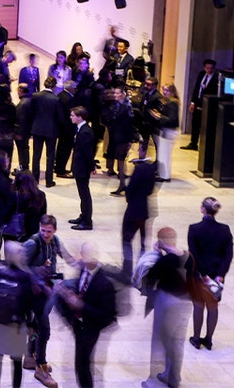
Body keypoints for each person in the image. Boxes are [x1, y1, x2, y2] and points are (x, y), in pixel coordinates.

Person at [54, 242, 118, 388]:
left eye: (90, 256)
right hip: (79, 324)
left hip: (91, 328)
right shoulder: (84, 270)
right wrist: (68, 294)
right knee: (81, 363)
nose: (86, 260)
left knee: (83, 364)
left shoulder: (104, 283)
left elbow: (107, 315)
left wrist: (82, 306)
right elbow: (81, 290)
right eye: (84, 256)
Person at [22, 215, 75, 387]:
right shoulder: (32, 243)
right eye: (43, 230)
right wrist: (36, 270)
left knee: (35, 327)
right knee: (44, 331)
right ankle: (41, 367)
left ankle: (29, 357)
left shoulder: (55, 241)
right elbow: (18, 265)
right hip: (33, 294)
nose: (45, 234)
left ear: (55, 230)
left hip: (46, 291)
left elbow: (66, 256)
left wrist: (81, 264)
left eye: (49, 231)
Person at [139, 227, 193, 388]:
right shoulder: (188, 257)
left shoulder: (165, 261)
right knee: (178, 342)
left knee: (160, 342)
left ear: (161, 241)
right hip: (186, 303)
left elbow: (150, 277)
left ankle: (154, 382)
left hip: (168, 303)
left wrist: (156, 254)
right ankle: (173, 377)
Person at [188, 197, 232, 351]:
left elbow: (194, 254)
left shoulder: (194, 229)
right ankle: (208, 340)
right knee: (213, 307)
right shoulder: (225, 229)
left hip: (200, 275)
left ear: (203, 209)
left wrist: (203, 274)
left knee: (198, 305)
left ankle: (196, 338)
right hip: (217, 276)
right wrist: (220, 274)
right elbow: (228, 255)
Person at [0, 241, 34, 388]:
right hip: (16, 325)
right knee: (17, 361)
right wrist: (30, 323)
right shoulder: (25, 276)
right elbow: (29, 303)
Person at [122, 158, 157, 275]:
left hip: (134, 210)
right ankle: (142, 270)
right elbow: (150, 190)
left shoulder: (139, 170)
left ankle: (127, 270)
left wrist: (129, 198)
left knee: (127, 240)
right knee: (143, 242)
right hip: (144, 210)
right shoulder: (151, 170)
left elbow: (131, 188)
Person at [29, 78, 61, 188]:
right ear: (54, 86)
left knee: (36, 155)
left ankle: (35, 179)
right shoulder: (56, 99)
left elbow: (31, 112)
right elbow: (59, 116)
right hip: (51, 130)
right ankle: (49, 181)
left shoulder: (35, 96)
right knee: (50, 156)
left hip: (37, 129)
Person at [69, 107, 97, 231]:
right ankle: (83, 215)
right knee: (82, 194)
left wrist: (92, 166)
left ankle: (87, 221)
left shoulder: (86, 132)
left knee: (85, 195)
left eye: (72, 115)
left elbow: (88, 152)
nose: (71, 117)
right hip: (79, 165)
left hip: (83, 167)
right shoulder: (80, 129)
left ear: (79, 117)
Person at [182, 59, 219, 151]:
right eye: (207, 68)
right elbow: (196, 89)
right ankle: (193, 143)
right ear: (204, 68)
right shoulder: (201, 74)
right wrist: (193, 102)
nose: (209, 70)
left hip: (208, 104)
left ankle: (206, 145)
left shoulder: (216, 77)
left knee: (206, 125)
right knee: (195, 123)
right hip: (198, 101)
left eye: (211, 68)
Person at [103, 86, 135, 191]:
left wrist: (130, 139)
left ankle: (122, 184)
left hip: (123, 136)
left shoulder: (127, 106)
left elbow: (129, 124)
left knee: (121, 160)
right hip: (115, 135)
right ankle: (122, 184)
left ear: (122, 94)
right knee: (118, 158)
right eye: (114, 93)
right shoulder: (114, 105)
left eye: (117, 93)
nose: (115, 95)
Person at [153, 84, 180, 182]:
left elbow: (172, 119)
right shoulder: (167, 101)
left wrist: (159, 116)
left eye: (167, 90)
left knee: (165, 154)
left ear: (172, 92)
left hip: (169, 131)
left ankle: (165, 176)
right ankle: (162, 174)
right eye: (164, 90)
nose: (165, 92)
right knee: (163, 153)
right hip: (166, 130)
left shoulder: (173, 103)